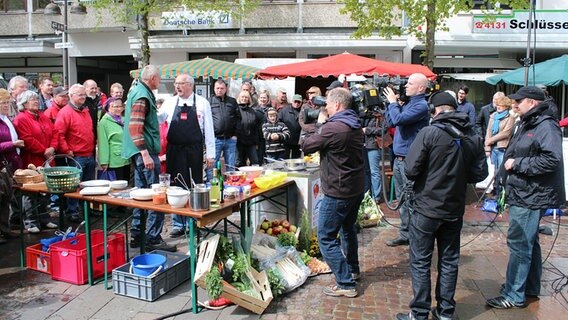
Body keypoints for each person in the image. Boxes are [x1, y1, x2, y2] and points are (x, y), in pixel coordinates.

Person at [395, 91, 487, 320]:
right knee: (449, 260)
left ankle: (419, 313)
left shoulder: (429, 133)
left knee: (420, 261)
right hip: (453, 209)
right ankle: (446, 312)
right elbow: (480, 173)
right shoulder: (472, 136)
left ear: (434, 110)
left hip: (426, 208)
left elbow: (410, 169)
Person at [486, 86, 565, 309]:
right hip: (524, 191)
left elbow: (552, 159)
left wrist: (517, 164)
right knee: (529, 242)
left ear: (531, 102)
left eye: (519, 102)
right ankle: (528, 287)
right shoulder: (530, 121)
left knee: (520, 243)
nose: (515, 105)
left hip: (531, 194)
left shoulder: (545, 125)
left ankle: (513, 294)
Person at [301, 87, 365, 298]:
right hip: (354, 188)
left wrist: (319, 123)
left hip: (338, 191)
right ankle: (353, 270)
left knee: (326, 237)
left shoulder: (334, 127)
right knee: (347, 229)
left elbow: (307, 146)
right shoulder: (354, 123)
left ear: (337, 105)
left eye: (327, 103)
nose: (325, 107)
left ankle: (345, 283)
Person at [122, 65, 176, 252]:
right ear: (152, 78)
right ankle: (153, 237)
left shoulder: (138, 91)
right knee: (156, 196)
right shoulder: (142, 96)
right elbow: (135, 127)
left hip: (138, 152)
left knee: (141, 195)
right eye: (159, 78)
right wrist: (145, 154)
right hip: (144, 154)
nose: (160, 81)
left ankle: (137, 236)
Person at [159, 73, 215, 238]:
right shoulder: (169, 103)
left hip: (194, 151)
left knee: (193, 184)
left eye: (181, 83)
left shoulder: (202, 103)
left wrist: (210, 155)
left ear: (190, 85)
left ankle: (192, 222)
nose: (177, 86)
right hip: (174, 151)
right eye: (176, 83)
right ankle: (178, 224)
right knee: (175, 187)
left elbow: (209, 131)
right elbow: (158, 119)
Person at [384, 73, 430, 247]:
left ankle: (416, 237)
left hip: (411, 160)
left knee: (411, 199)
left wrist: (393, 104)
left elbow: (398, 119)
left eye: (410, 83)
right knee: (402, 199)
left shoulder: (421, 106)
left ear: (420, 88)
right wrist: (391, 104)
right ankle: (405, 234)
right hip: (399, 159)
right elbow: (391, 122)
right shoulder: (409, 103)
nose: (406, 86)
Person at [14, 90, 59, 232]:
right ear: (24, 104)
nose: (36, 101)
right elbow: (26, 139)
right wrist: (43, 150)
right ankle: (31, 222)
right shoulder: (21, 119)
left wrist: (52, 147)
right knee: (30, 193)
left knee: (45, 191)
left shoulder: (42, 116)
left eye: (36, 98)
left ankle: (44, 218)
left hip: (47, 159)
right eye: (32, 99)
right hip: (32, 160)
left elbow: (55, 132)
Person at [54, 84, 96, 224]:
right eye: (80, 95)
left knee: (87, 185)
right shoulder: (65, 112)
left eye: (84, 94)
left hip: (89, 153)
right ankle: (73, 212)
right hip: (76, 155)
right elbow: (59, 133)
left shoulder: (85, 110)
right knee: (74, 186)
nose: (83, 97)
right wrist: (67, 150)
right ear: (71, 96)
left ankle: (86, 210)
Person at [0, 88, 23, 241]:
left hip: (8, 165)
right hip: (1, 164)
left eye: (8, 102)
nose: (7, 105)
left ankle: (5, 229)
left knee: (5, 199)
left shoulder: (6, 118)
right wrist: (12, 144)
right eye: (3, 102)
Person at [484, 96, 516, 197]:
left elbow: (505, 133)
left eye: (500, 105)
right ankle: (495, 191)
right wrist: (487, 147)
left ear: (506, 106)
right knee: (494, 171)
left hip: (502, 148)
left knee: (501, 171)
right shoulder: (493, 116)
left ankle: (502, 193)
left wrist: (490, 140)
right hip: (493, 148)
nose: (498, 106)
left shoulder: (510, 118)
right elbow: (488, 131)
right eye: (497, 104)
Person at [208, 79, 239, 172]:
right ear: (214, 89)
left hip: (230, 139)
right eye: (217, 88)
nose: (219, 90)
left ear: (226, 89)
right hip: (215, 139)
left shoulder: (232, 101)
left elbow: (238, 118)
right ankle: (211, 184)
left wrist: (235, 135)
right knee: (212, 166)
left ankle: (231, 184)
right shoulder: (209, 102)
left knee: (231, 166)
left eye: (222, 88)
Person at [97, 98, 130, 181]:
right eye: (115, 106)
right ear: (109, 107)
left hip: (126, 158)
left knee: (126, 184)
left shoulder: (123, 119)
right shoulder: (104, 122)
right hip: (114, 160)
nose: (119, 108)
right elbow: (103, 143)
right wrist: (104, 162)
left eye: (120, 106)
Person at [235, 90, 261, 166]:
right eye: (242, 97)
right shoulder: (235, 110)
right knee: (239, 162)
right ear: (239, 98)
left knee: (255, 161)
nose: (244, 98)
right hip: (239, 142)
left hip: (251, 142)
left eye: (246, 97)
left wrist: (256, 142)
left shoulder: (252, 111)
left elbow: (255, 128)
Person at [254, 89, 272, 163]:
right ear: (258, 99)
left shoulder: (271, 109)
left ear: (268, 99)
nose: (263, 99)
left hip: (269, 138)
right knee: (258, 158)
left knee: (269, 159)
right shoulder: (254, 109)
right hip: (259, 138)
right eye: (261, 97)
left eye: (264, 98)